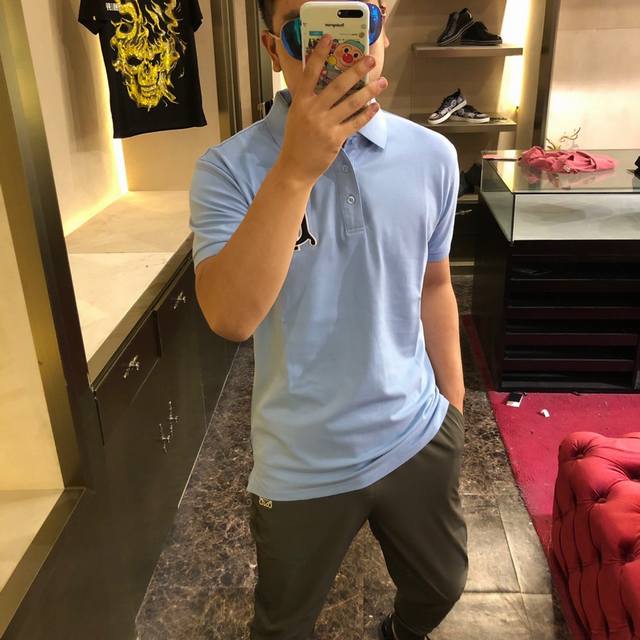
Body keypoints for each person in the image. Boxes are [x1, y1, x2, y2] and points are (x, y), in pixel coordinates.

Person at [189, 1, 468, 638]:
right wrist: (295, 168)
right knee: (283, 625)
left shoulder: (433, 156)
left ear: (382, 33)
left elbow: (435, 285)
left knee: (442, 587)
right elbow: (230, 317)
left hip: (416, 430)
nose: (332, 52)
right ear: (273, 48)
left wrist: (452, 410)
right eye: (305, 30)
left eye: (353, 22)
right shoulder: (227, 170)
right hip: (301, 459)